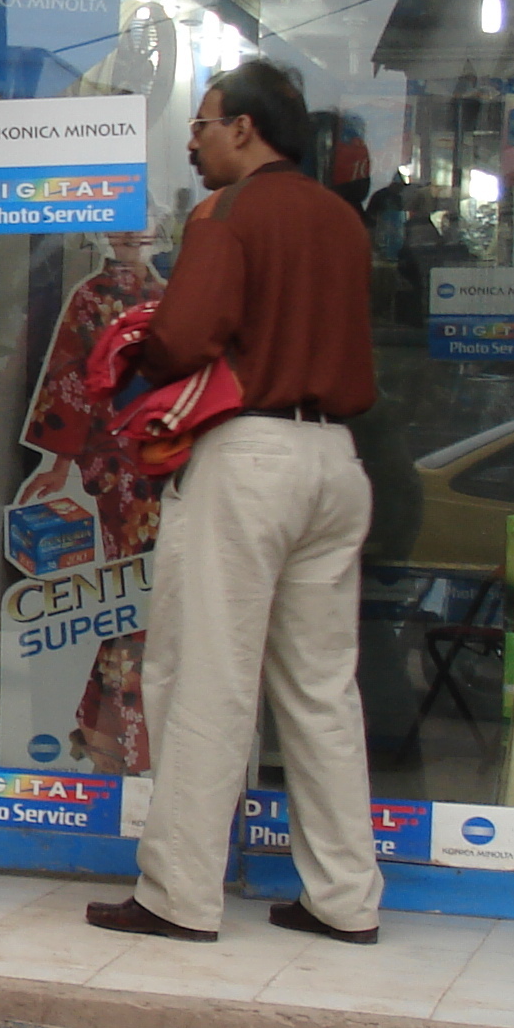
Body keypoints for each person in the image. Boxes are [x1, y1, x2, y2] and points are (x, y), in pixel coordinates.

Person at [90, 59, 381, 947]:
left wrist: (137, 345)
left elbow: (185, 336)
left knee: (205, 677)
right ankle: (345, 899)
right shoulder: (341, 221)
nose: (193, 138)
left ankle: (179, 894)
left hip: (249, 455)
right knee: (323, 690)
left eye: (205, 123)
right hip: (335, 458)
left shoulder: (228, 211)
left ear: (247, 131)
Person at [15, 226, 167, 773]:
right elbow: (70, 378)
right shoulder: (92, 295)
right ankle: (123, 737)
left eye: (144, 228)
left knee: (151, 596)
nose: (134, 237)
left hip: (175, 461)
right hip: (122, 468)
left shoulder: (173, 290)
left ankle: (107, 728)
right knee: (141, 595)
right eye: (125, 227)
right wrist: (56, 463)